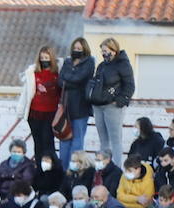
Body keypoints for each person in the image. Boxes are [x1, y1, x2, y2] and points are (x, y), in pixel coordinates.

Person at [87, 38, 134, 164]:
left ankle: (117, 167)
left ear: (114, 50)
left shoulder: (123, 64)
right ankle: (103, 166)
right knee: (103, 140)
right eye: (102, 51)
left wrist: (120, 101)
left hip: (113, 107)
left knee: (115, 140)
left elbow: (130, 86)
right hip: (98, 105)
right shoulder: (102, 66)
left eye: (105, 51)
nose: (103, 53)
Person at [57, 38, 94, 168]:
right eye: (75, 48)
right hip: (66, 107)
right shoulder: (67, 62)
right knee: (64, 139)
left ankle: (74, 169)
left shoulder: (89, 62)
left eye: (79, 48)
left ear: (85, 49)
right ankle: (63, 170)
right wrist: (70, 81)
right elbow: (60, 81)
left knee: (77, 140)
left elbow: (80, 78)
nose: (76, 50)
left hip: (81, 107)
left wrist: (67, 81)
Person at [18, 46, 61, 163]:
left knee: (48, 142)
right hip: (34, 113)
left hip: (51, 113)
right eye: (42, 58)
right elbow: (26, 93)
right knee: (38, 142)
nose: (44, 60)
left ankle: (51, 167)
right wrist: (20, 111)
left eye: (46, 58)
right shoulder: (33, 73)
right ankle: (39, 167)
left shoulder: (58, 72)